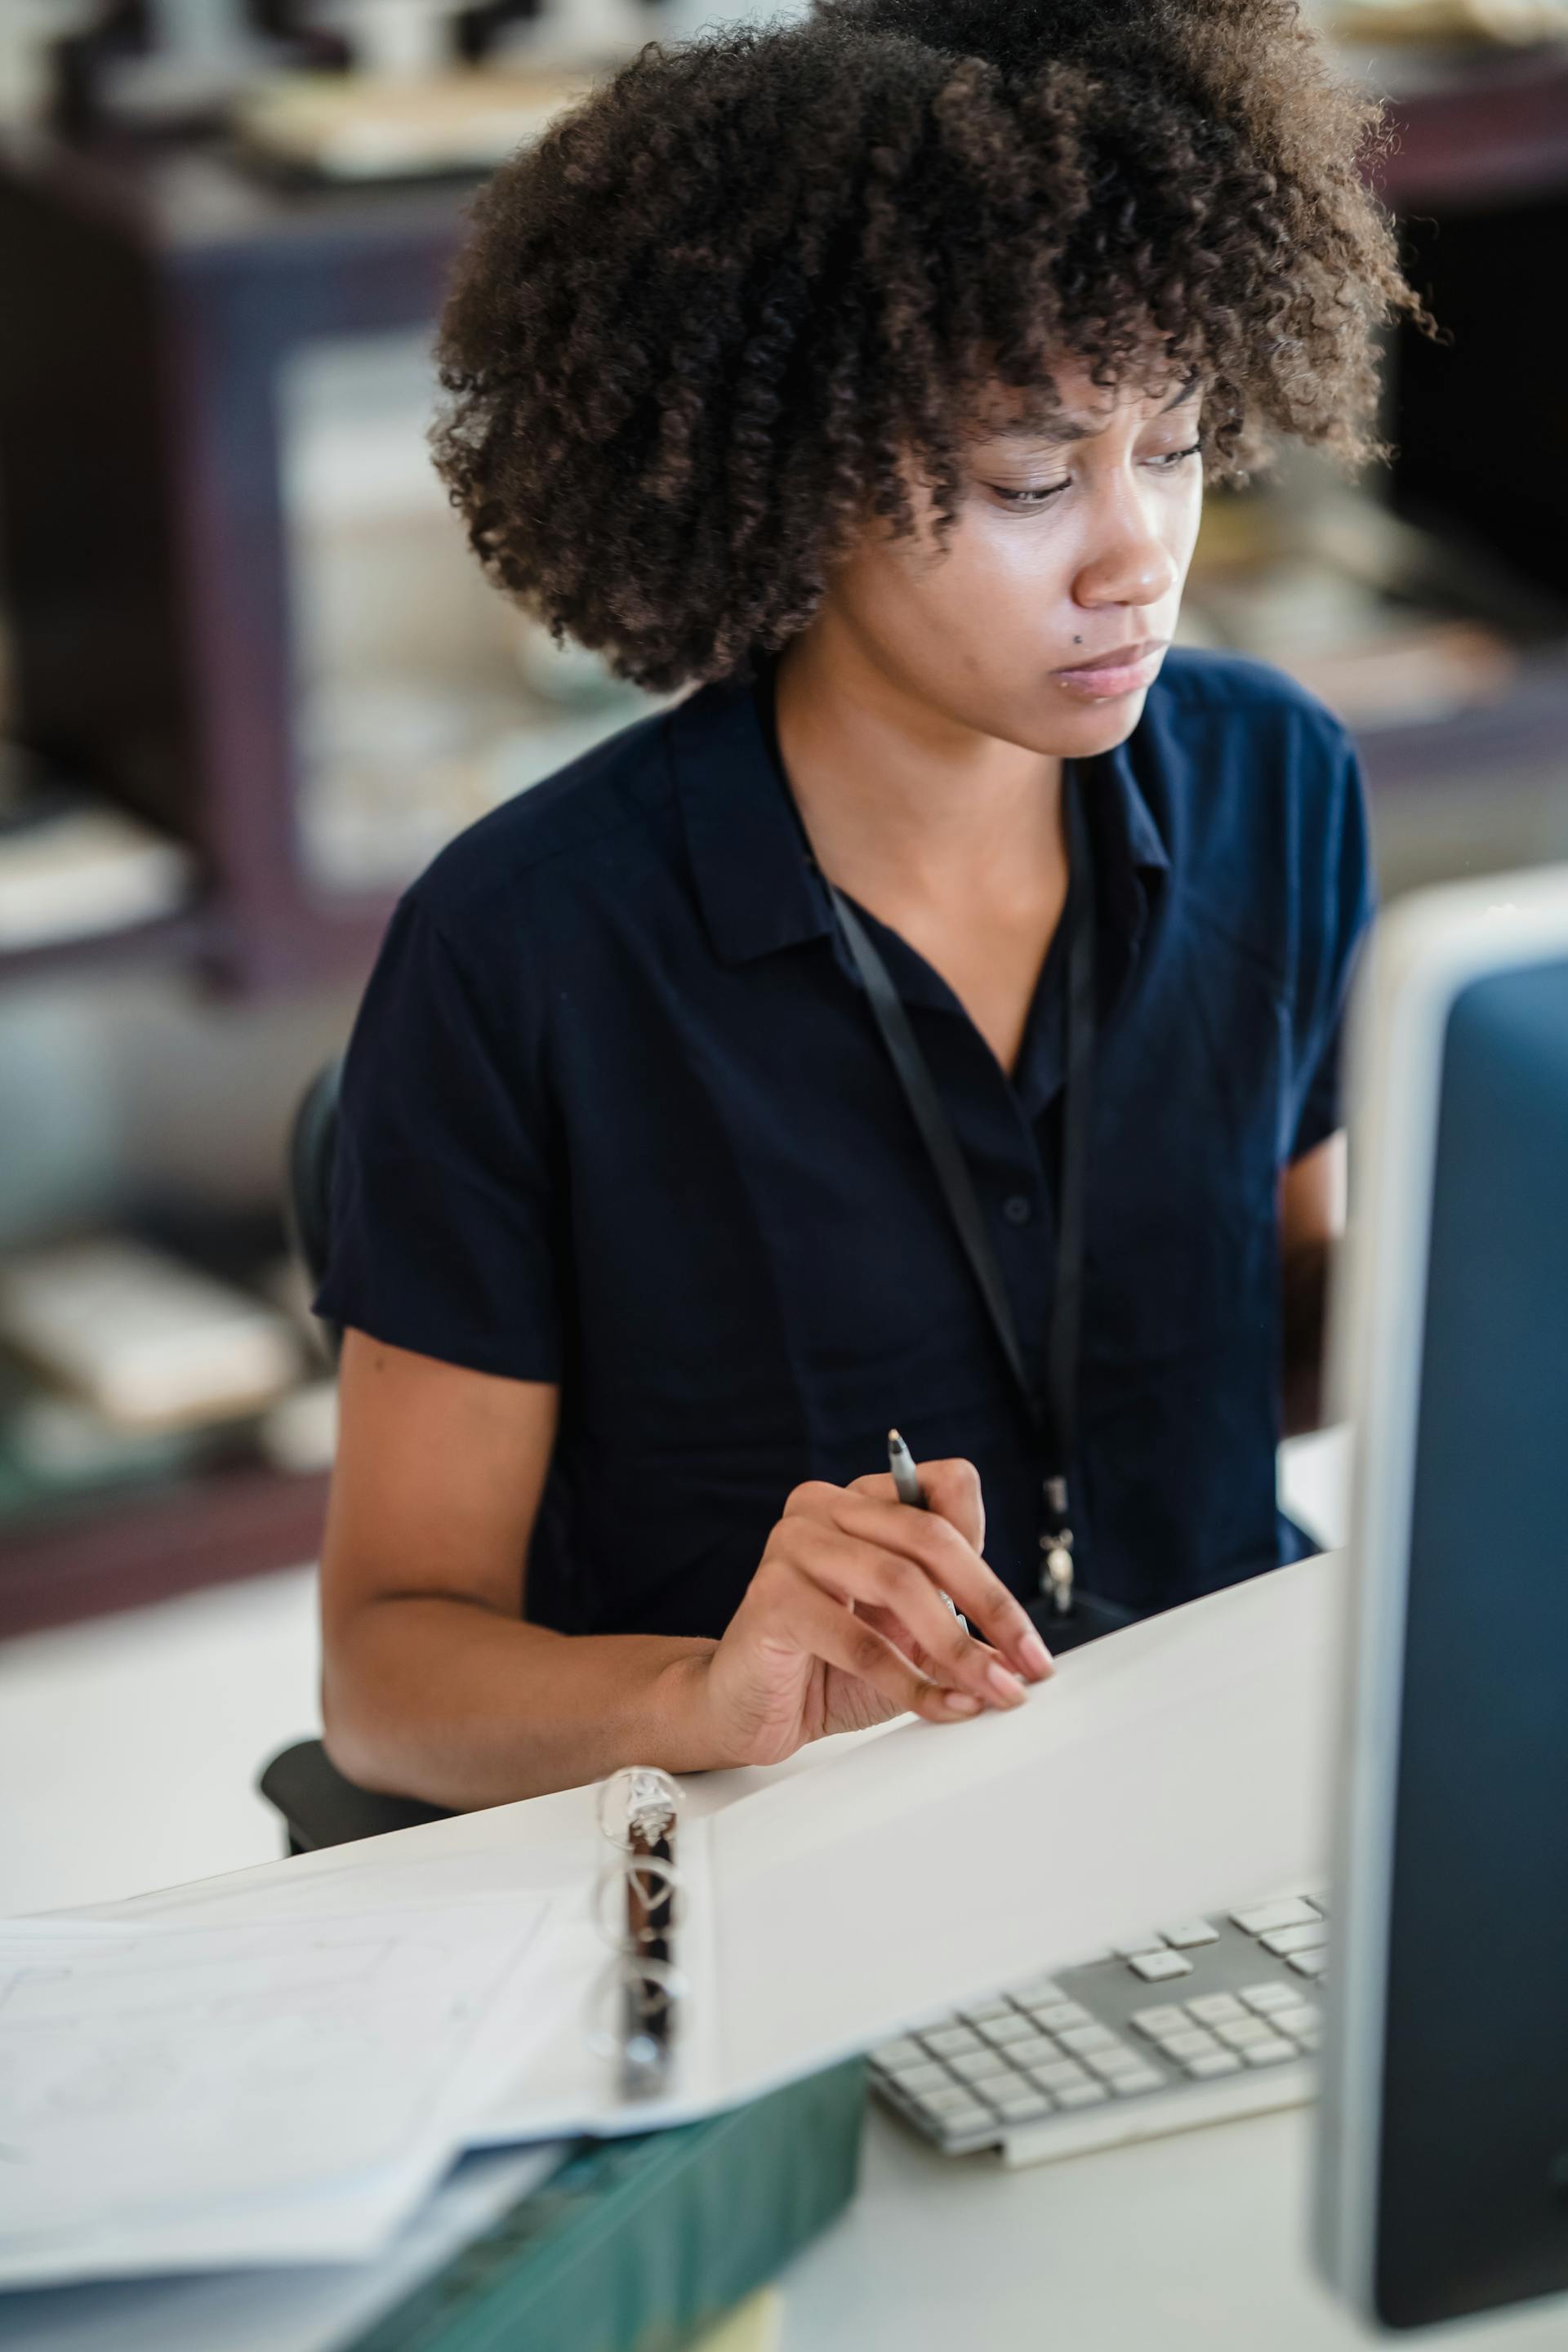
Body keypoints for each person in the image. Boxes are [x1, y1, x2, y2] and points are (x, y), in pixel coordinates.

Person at [312, 0, 1427, 1811]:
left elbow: (1280, 1332)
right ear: (799, 474)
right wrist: (705, 1691)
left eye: (1180, 443)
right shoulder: (526, 948)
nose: (1138, 556)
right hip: (777, 1834)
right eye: (1031, 479)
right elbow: (384, 1673)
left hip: (1222, 1769)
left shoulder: (1275, 784)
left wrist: (1489, 1287)